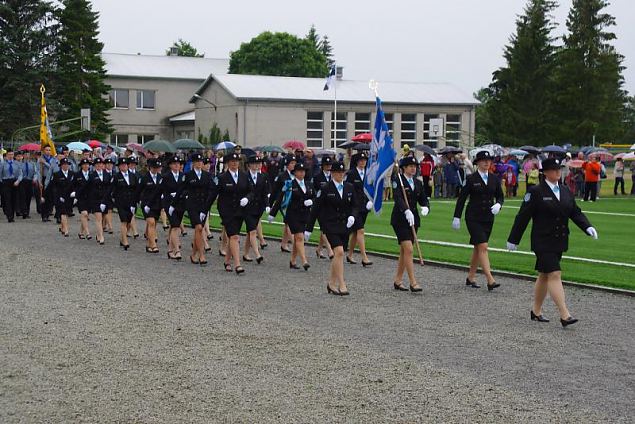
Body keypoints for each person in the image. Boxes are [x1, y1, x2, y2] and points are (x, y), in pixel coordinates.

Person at [507, 158, 598, 327]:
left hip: (559, 240)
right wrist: (514, 239)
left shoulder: (565, 190)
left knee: (544, 274)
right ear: (545, 172)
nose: (558, 172)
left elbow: (575, 212)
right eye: (554, 169)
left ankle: (536, 310)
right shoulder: (536, 191)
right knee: (555, 273)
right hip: (542, 241)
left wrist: (587, 227)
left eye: (560, 169)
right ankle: (565, 314)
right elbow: (523, 216)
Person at [452, 150, 504, 290]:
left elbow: (500, 196)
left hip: (488, 217)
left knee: (478, 248)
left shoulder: (494, 179)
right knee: (483, 246)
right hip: (473, 217)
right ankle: (490, 279)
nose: (487, 163)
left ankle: (471, 277)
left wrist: (499, 204)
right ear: (478, 163)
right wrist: (457, 216)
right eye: (483, 160)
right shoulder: (471, 179)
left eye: (488, 160)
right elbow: (462, 199)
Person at [307, 161, 358, 295]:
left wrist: (353, 216)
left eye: (342, 172)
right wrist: (309, 228)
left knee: (339, 255)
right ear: (332, 173)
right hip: (330, 225)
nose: (341, 175)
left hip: (345, 225)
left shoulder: (349, 187)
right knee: (339, 252)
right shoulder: (325, 188)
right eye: (338, 172)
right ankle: (342, 284)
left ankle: (331, 283)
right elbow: (316, 209)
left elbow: (355, 205)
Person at [391, 156, 430, 292]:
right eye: (410, 166)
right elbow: (398, 198)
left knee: (404, 251)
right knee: (408, 249)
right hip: (401, 219)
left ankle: (398, 280)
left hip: (414, 221)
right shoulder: (398, 180)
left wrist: (426, 207)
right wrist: (406, 210)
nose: (413, 168)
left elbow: (423, 198)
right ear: (404, 168)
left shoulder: (418, 183)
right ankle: (413, 282)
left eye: (415, 166)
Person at [269, 162, 314, 271]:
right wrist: (273, 213)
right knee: (299, 237)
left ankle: (293, 261)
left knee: (299, 238)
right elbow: (280, 198)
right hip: (293, 215)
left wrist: (311, 201)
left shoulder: (309, 184)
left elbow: (315, 197)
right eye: (299, 171)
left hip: (305, 215)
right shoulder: (289, 184)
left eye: (303, 171)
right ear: (295, 173)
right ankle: (304, 261)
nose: (302, 173)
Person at [216, 152, 252, 274]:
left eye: (236, 161)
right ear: (228, 163)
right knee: (234, 236)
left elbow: (251, 191)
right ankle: (237, 264)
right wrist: (205, 209)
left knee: (233, 236)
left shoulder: (244, 176)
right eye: (232, 161)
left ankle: (227, 261)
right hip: (227, 211)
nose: (235, 163)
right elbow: (214, 194)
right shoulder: (222, 178)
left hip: (240, 211)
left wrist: (247, 198)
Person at [184, 153, 216, 265]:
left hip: (203, 206)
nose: (199, 164)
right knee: (198, 227)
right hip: (192, 205)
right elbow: (182, 189)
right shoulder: (188, 175)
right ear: (193, 163)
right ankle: (201, 255)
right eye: (197, 162)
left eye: (201, 162)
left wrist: (208, 203)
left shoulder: (207, 175)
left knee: (200, 229)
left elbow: (212, 190)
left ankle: (194, 254)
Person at [345, 152, 373, 266]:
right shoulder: (351, 173)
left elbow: (371, 188)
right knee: (360, 230)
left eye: (365, 160)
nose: (363, 162)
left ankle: (350, 254)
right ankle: (364, 257)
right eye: (361, 160)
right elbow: (347, 189)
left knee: (356, 233)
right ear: (357, 161)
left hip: (365, 206)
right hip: (354, 207)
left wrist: (371, 201)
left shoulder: (368, 174)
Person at [242, 156, 269, 264]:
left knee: (250, 232)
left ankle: (245, 254)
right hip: (247, 207)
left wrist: (267, 205)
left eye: (258, 163)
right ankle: (257, 254)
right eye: (254, 163)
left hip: (258, 208)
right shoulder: (244, 176)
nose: (257, 165)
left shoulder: (262, 176)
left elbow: (264, 193)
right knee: (252, 231)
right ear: (249, 165)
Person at [111, 157, 140, 251]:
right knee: (123, 221)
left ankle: (122, 238)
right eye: (121, 165)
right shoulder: (116, 176)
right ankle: (125, 241)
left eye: (125, 165)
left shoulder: (133, 176)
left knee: (128, 221)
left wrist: (137, 200)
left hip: (131, 202)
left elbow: (137, 189)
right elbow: (112, 190)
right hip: (121, 202)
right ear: (119, 167)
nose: (124, 166)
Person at [270, 155, 297, 252]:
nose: (294, 165)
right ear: (287, 165)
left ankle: (284, 244)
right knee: (289, 223)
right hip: (284, 203)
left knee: (287, 223)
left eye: (295, 163)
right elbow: (275, 191)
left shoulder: (297, 175)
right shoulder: (282, 176)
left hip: (294, 202)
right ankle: (296, 246)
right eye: (292, 163)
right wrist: (270, 205)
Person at [162, 156, 186, 260]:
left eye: (178, 163)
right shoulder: (166, 176)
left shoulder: (183, 176)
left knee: (173, 226)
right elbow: (161, 190)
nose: (177, 165)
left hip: (180, 204)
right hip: (169, 204)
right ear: (170, 165)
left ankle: (170, 250)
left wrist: (182, 194)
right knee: (176, 226)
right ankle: (177, 250)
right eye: (174, 163)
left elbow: (186, 189)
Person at [139, 158, 164, 254]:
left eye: (157, 167)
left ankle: (149, 244)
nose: (156, 169)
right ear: (150, 167)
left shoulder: (160, 177)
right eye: (154, 167)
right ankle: (153, 245)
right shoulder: (145, 178)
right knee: (151, 222)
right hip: (147, 203)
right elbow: (139, 190)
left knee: (154, 224)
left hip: (157, 204)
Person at [312, 156, 335, 259]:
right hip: (320, 205)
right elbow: (314, 191)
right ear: (322, 166)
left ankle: (319, 249)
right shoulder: (317, 177)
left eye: (330, 165)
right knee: (324, 227)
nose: (328, 167)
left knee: (324, 228)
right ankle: (330, 250)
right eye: (326, 165)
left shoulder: (334, 176)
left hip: (331, 205)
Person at [88, 158, 111, 245]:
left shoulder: (107, 175)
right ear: (94, 166)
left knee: (103, 218)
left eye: (101, 164)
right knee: (98, 218)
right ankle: (101, 236)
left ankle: (98, 234)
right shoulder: (91, 175)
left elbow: (109, 187)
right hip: (95, 199)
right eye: (97, 164)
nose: (99, 166)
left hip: (105, 199)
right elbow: (88, 188)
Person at [49, 157, 75, 236]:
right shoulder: (57, 174)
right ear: (61, 166)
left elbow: (75, 184)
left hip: (69, 196)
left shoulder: (72, 174)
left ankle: (62, 227)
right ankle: (66, 229)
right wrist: (57, 195)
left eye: (67, 164)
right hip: (60, 196)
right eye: (64, 164)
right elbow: (53, 186)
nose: (65, 166)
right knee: (63, 212)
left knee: (66, 212)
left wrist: (74, 192)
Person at [1, 149, 23, 222]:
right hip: (6, 182)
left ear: (14, 155)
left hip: (15, 182)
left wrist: (18, 181)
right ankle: (9, 216)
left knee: (14, 199)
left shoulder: (17, 163)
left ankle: (12, 215)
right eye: (9, 154)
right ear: (6, 155)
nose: (11, 156)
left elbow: (20, 174)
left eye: (12, 154)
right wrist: (2, 181)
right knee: (7, 199)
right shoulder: (3, 164)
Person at [73, 158, 93, 240]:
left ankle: (81, 232)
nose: (86, 166)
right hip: (80, 197)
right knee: (84, 213)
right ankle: (87, 233)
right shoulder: (77, 175)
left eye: (87, 164)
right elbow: (73, 185)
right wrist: (74, 193)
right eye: (84, 164)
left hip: (89, 197)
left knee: (86, 215)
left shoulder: (92, 174)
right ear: (81, 166)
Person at [18, 151, 38, 219]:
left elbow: (35, 173)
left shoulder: (33, 164)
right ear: (23, 155)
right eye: (25, 154)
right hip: (22, 181)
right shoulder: (20, 164)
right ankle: (24, 212)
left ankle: (27, 212)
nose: (27, 156)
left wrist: (35, 179)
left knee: (28, 197)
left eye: (28, 155)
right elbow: (19, 173)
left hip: (30, 182)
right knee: (23, 196)